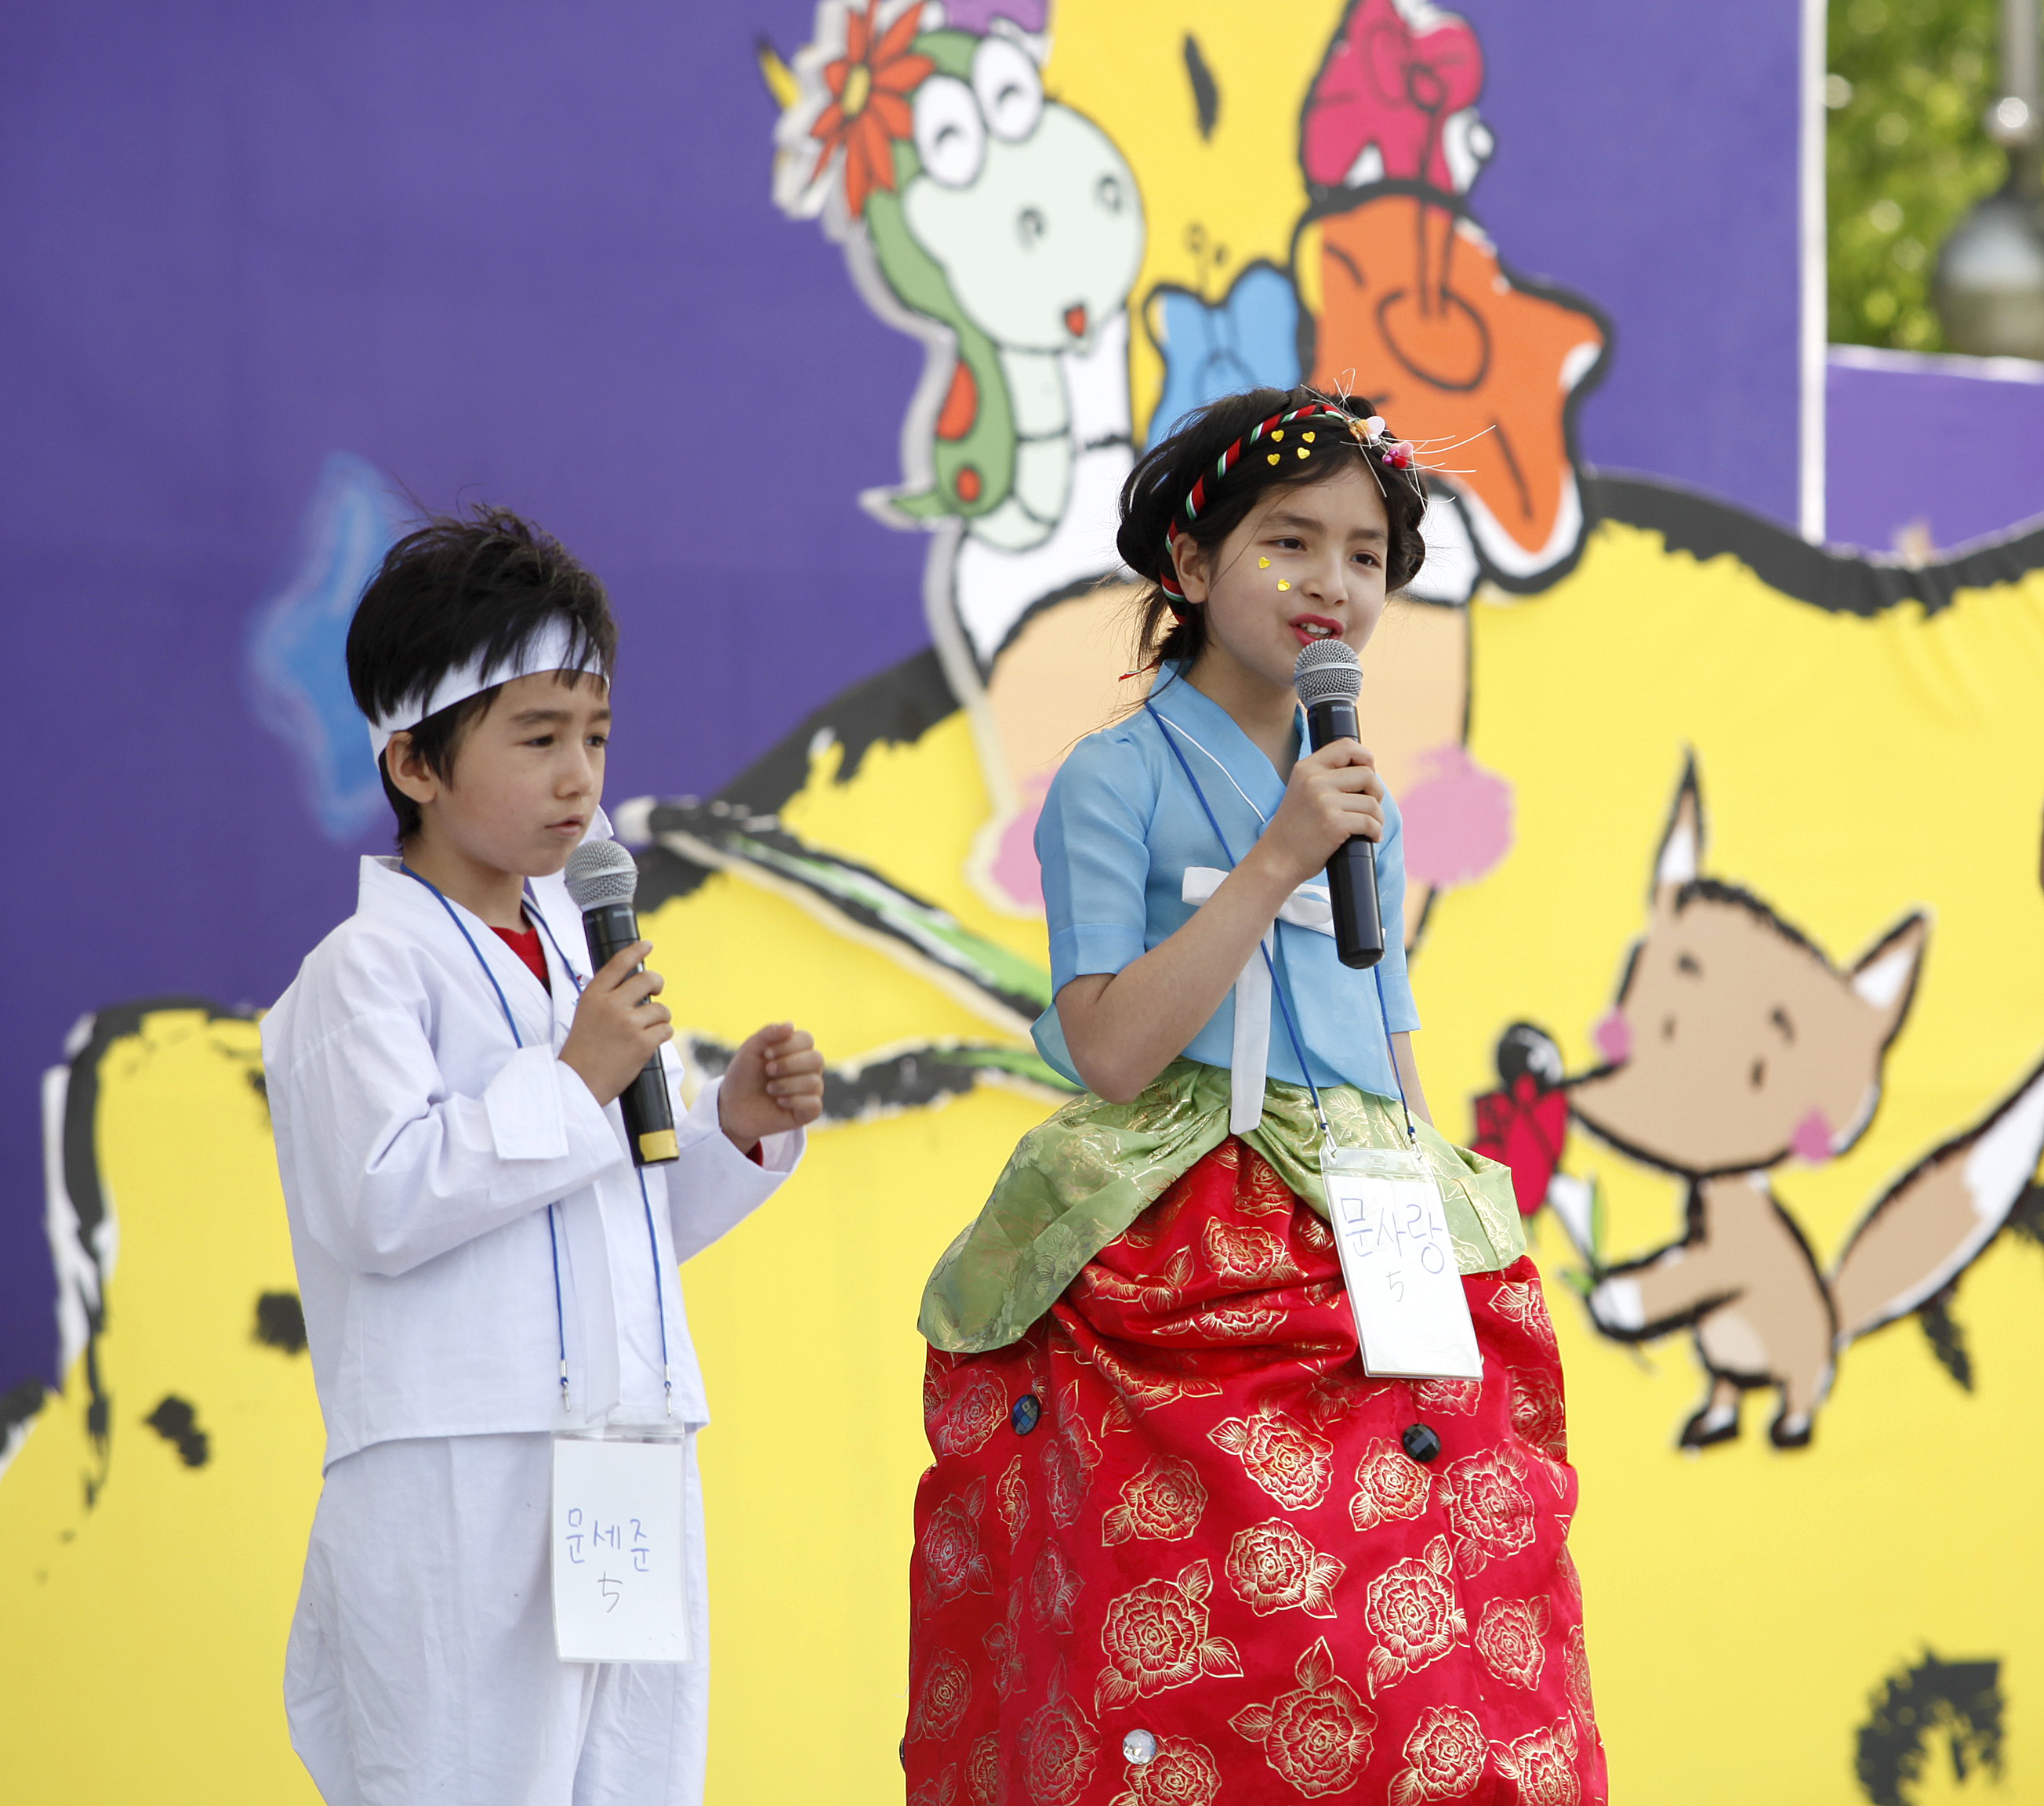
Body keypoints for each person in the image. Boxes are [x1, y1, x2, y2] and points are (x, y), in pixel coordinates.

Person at [906, 390, 1605, 1804]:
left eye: (1366, 553)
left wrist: (1441, 1215)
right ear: (1188, 562)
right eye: (1289, 541)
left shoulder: (1356, 795)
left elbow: (1388, 1035)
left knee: (1422, 1664)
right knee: (1172, 1647)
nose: (1332, 582)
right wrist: (1276, 861)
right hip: (1179, 1225)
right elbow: (1108, 1049)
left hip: (1369, 1218)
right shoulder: (1112, 778)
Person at [262, 508, 825, 1806]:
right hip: (462, 1468)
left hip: (629, 1455)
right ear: (414, 761)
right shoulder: (362, 972)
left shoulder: (583, 958)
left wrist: (736, 1125)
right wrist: (574, 1079)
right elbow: (382, 1204)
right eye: (537, 737)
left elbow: (623, 1221)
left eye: (595, 737)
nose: (581, 778)